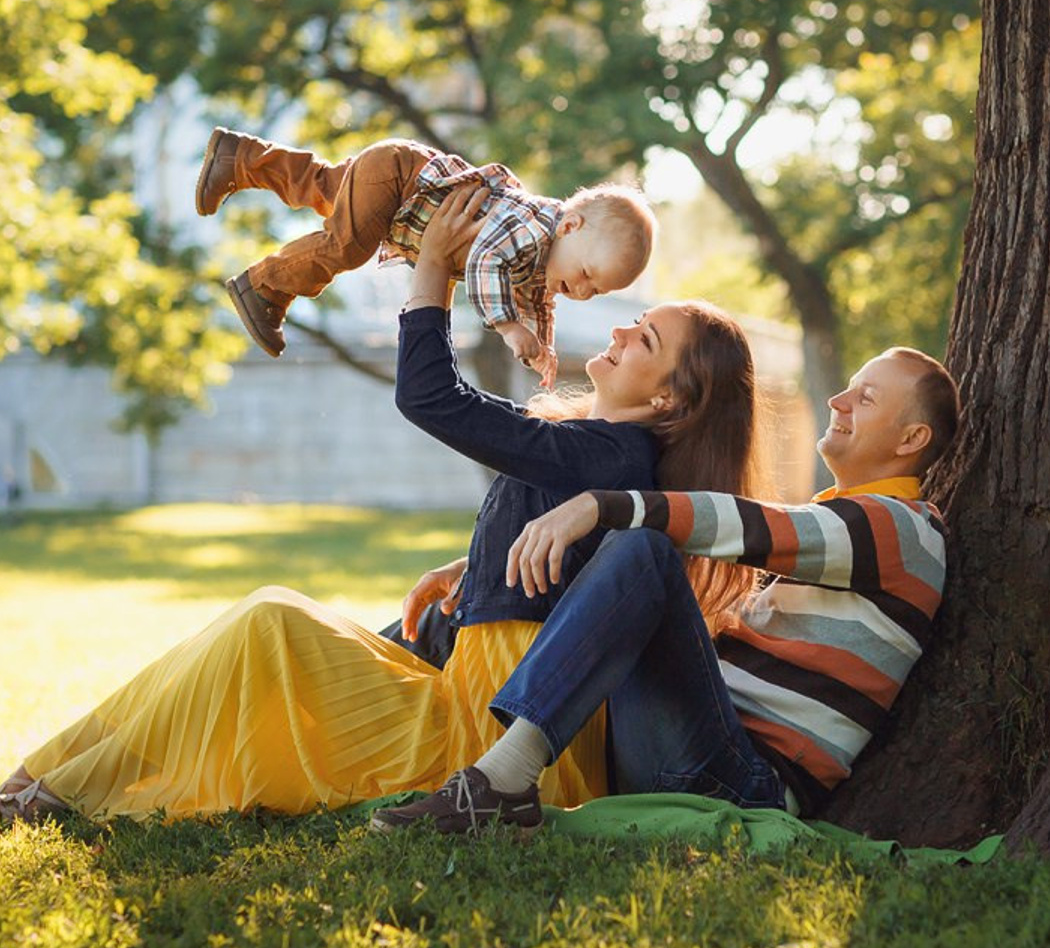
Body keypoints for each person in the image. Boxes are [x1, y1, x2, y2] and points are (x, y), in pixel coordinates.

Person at [0, 189, 757, 826]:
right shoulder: (598, 451)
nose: (622, 326)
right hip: (465, 695)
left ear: (668, 398)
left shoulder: (616, 457)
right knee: (269, 628)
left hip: (487, 738)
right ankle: (47, 779)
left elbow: (433, 400)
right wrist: (477, 564)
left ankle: (56, 787)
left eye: (646, 337)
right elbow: (562, 552)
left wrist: (431, 273)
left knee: (270, 623)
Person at [370, 343, 960, 835]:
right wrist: (482, 567)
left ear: (911, 439)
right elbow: (664, 593)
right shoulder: (844, 531)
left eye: (867, 396)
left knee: (642, 543)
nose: (838, 400)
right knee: (620, 557)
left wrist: (603, 505)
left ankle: (498, 784)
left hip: (738, 780)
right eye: (850, 386)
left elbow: (748, 525)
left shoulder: (906, 532)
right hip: (678, 741)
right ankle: (377, 696)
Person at [196, 126, 656, 384]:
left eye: (594, 291)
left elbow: (540, 300)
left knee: (320, 187)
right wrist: (509, 326)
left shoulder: (547, 259)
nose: (580, 290)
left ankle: (238, 158)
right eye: (585, 275)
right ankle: (264, 286)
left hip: (401, 187)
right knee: (347, 248)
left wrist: (543, 344)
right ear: (571, 226)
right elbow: (485, 262)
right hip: (400, 179)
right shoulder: (534, 226)